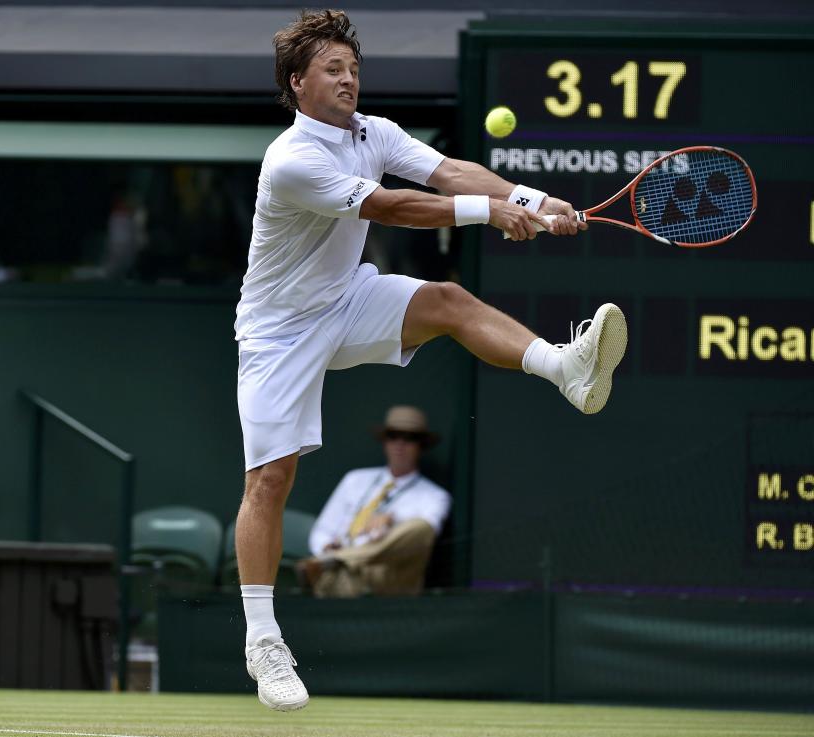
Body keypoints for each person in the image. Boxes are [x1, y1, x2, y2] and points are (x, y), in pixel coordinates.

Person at [234, 10, 627, 711]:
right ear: (297, 83)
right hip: (278, 332)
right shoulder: (292, 159)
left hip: (346, 298)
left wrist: (531, 199)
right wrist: (490, 213)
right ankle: (263, 640)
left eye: (354, 67)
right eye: (333, 68)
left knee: (446, 297)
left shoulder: (372, 132)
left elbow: (447, 170)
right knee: (271, 477)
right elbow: (391, 208)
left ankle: (565, 368)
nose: (350, 76)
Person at [298, 405, 451, 598]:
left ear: (421, 445)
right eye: (393, 436)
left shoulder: (435, 496)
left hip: (389, 575)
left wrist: (393, 520)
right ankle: (341, 560)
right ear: (385, 441)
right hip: (346, 574)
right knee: (339, 575)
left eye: (409, 438)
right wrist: (328, 547)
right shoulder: (356, 479)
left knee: (420, 527)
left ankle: (341, 559)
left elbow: (425, 535)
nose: (400, 444)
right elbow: (322, 531)